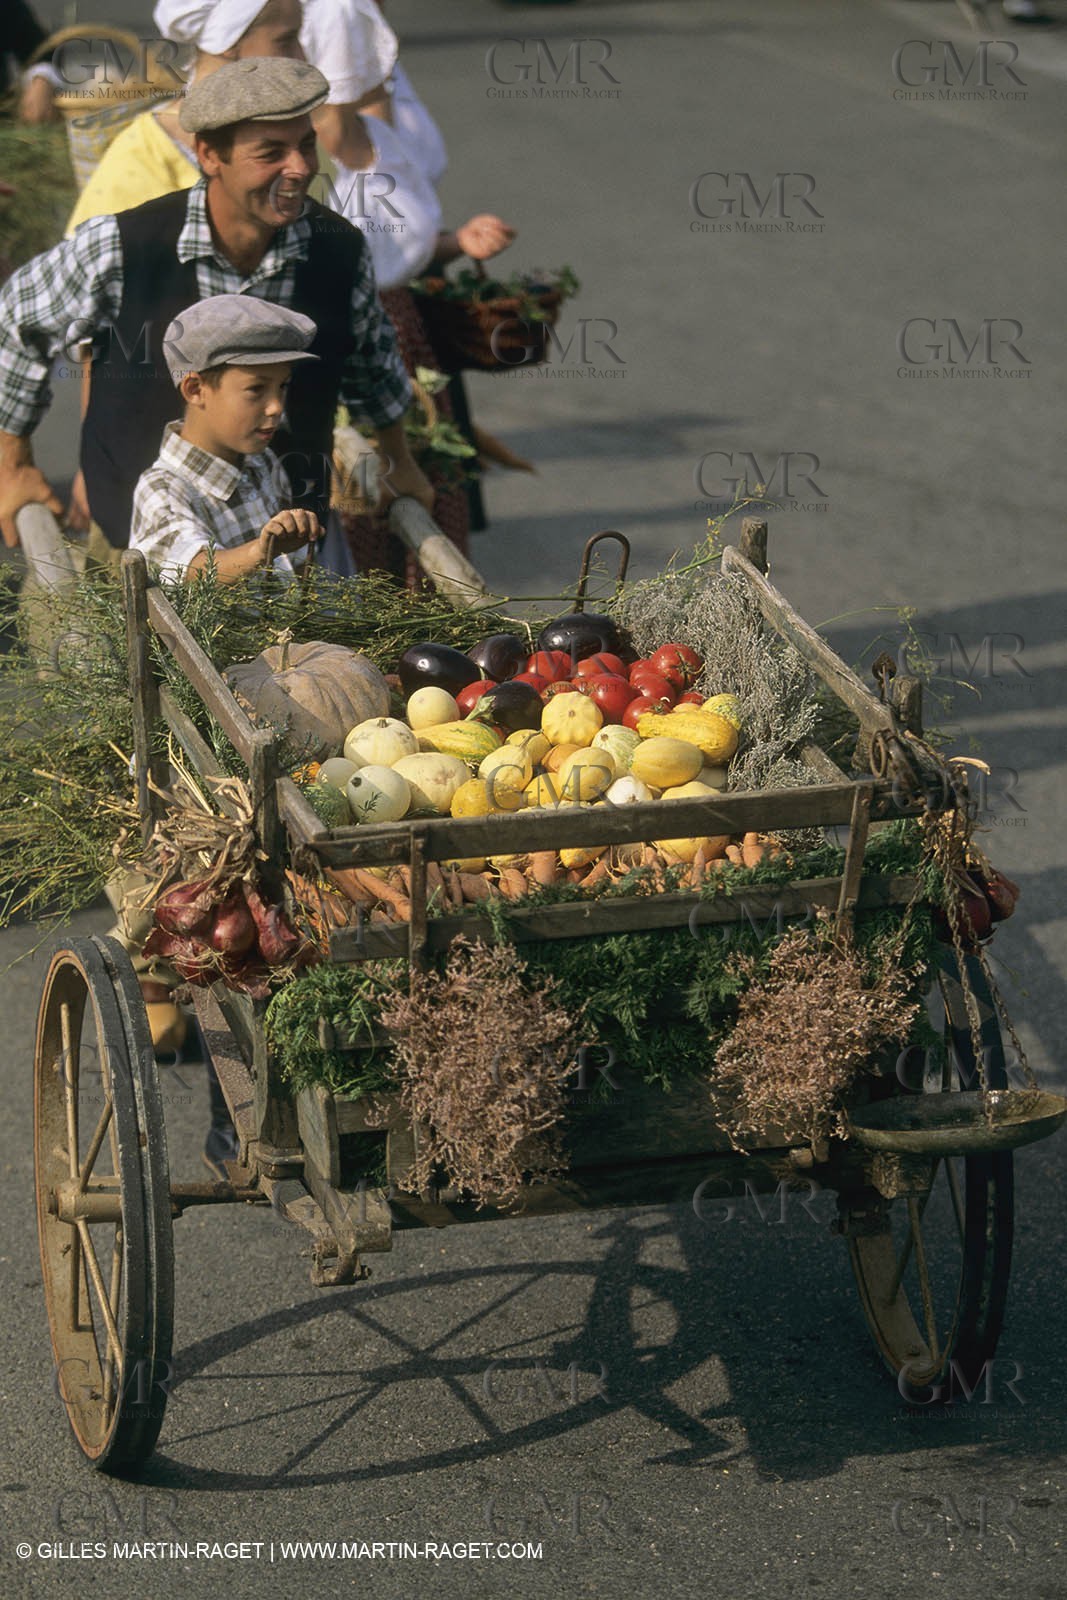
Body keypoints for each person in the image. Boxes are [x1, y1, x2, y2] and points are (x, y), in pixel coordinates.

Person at [0, 58, 433, 573]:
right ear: (210, 155)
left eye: (306, 144)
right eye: (271, 153)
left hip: (288, 553)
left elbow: (371, 362)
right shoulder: (123, 245)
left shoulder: (337, 250)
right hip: (137, 550)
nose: (299, 168)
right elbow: (17, 319)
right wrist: (13, 462)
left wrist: (399, 460)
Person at [131, 294, 323, 583]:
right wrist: (261, 550)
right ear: (196, 389)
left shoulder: (263, 462)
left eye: (282, 386)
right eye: (256, 390)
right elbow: (192, 570)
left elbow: (293, 572)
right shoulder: (163, 488)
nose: (276, 407)